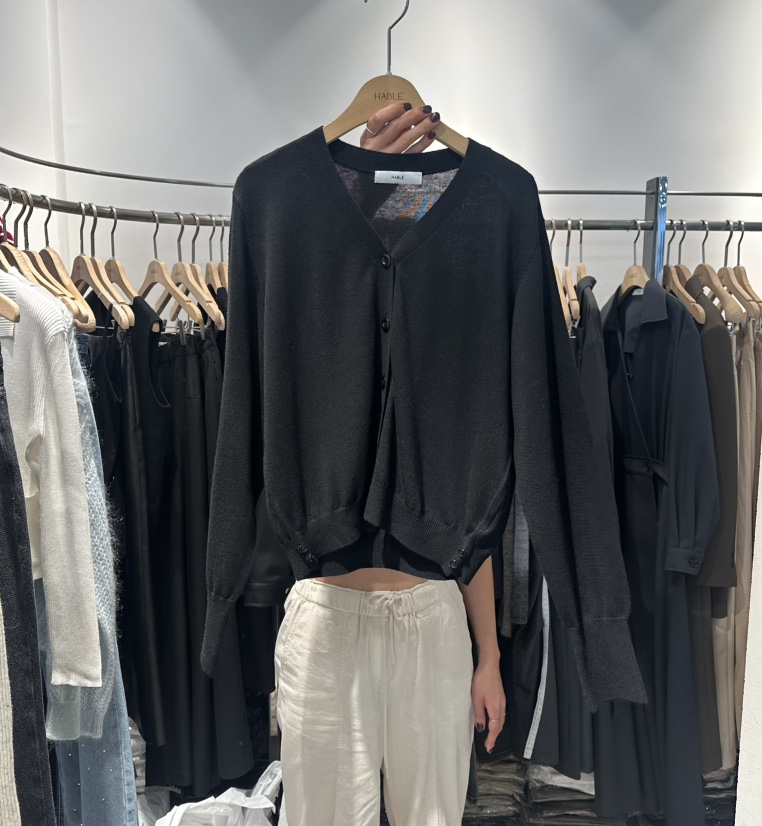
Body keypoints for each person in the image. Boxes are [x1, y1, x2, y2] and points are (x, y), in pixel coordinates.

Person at [274, 103, 505, 825]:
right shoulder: (300, 268)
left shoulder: (457, 301)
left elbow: (469, 503)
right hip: (326, 619)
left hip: (431, 616)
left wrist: (490, 657)